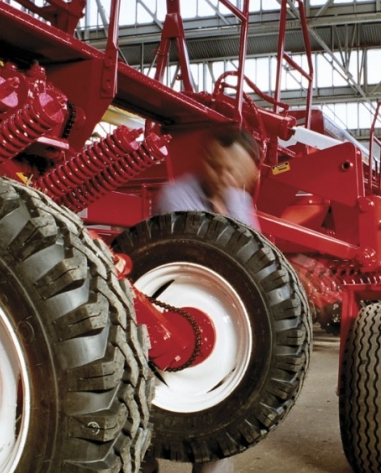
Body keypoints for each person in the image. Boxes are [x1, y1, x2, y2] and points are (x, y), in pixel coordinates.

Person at [142, 125, 260, 473]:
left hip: (222, 327)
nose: (223, 176)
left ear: (248, 173)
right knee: (148, 419)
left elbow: (253, 260)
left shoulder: (241, 201)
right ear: (206, 160)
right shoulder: (174, 197)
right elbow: (191, 262)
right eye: (217, 166)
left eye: (233, 171)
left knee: (218, 428)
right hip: (168, 318)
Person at [153, 124, 260, 230]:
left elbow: (255, 244)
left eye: (232, 171)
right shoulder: (174, 197)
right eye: (215, 167)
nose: (224, 178)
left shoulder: (240, 199)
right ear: (203, 159)